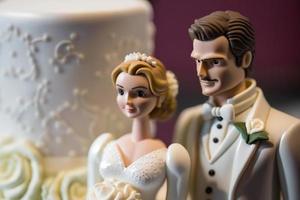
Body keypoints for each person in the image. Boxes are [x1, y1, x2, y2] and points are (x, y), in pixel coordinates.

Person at [174, 10, 300, 200]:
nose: (201, 72)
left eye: (214, 62)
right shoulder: (189, 121)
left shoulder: (286, 131)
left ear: (246, 59)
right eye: (198, 61)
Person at [87, 52, 190, 200]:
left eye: (140, 93)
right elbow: (91, 190)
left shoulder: (169, 156)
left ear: (159, 99)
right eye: (121, 91)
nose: (127, 100)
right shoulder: (105, 145)